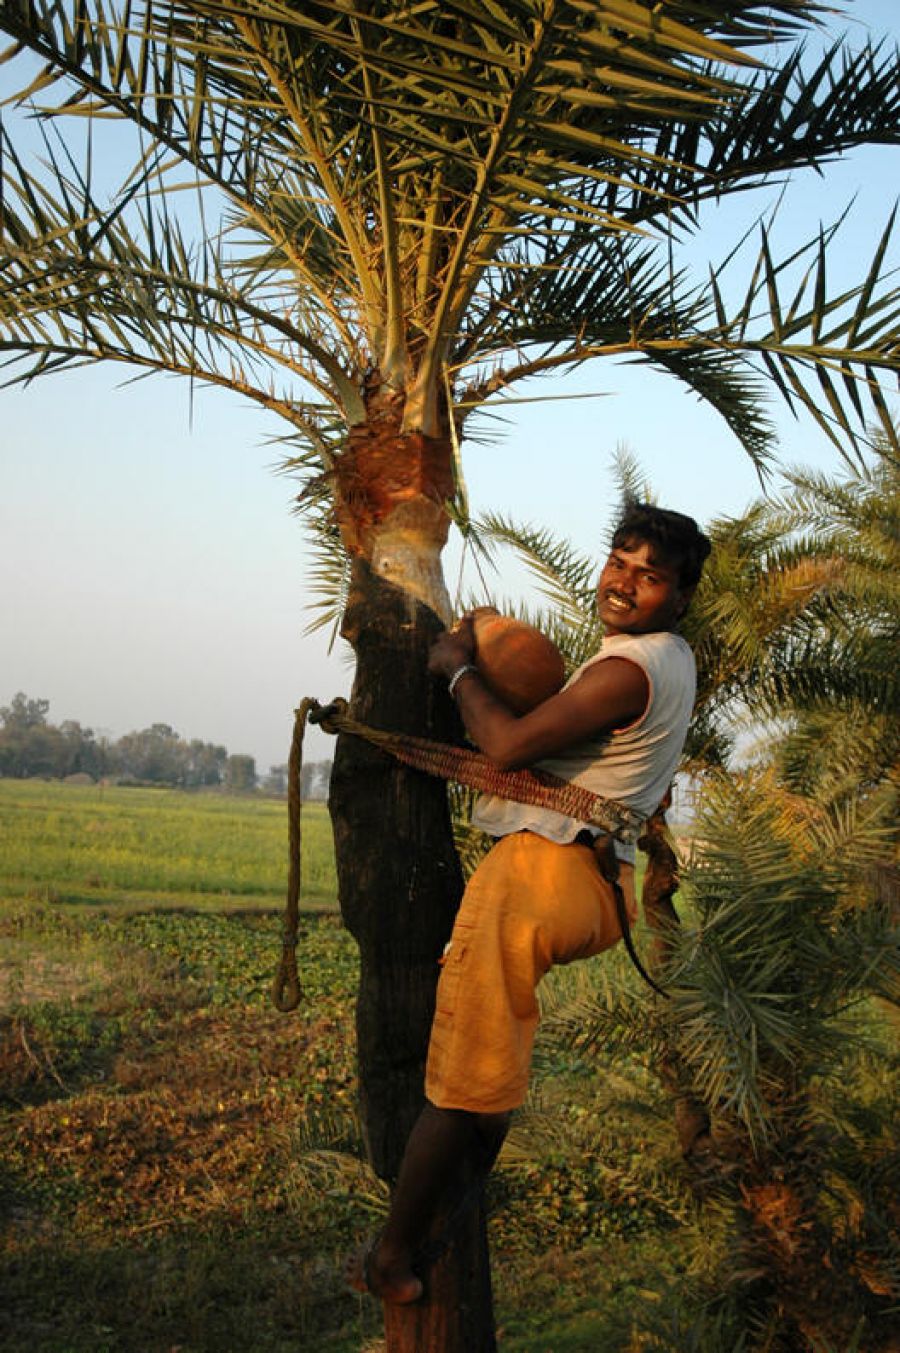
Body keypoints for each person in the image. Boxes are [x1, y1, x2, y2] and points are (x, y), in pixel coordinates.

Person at [347, 502, 711, 1304]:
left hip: (538, 878)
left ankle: (392, 1254)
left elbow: (506, 746)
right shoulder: (671, 660)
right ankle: (477, 1144)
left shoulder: (628, 668)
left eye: (650, 576)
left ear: (679, 596)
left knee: (459, 1072)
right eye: (620, 560)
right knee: (491, 1049)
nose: (624, 582)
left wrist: (456, 667)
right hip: (595, 886)